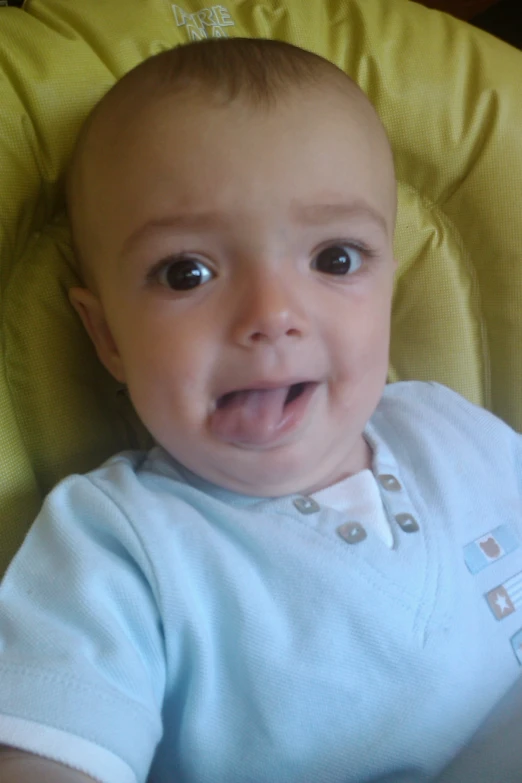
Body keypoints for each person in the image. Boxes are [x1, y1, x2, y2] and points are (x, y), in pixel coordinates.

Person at [0, 36, 521, 783]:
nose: (272, 314)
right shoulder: (117, 543)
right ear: (107, 335)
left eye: (335, 259)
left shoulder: (452, 426)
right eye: (188, 272)